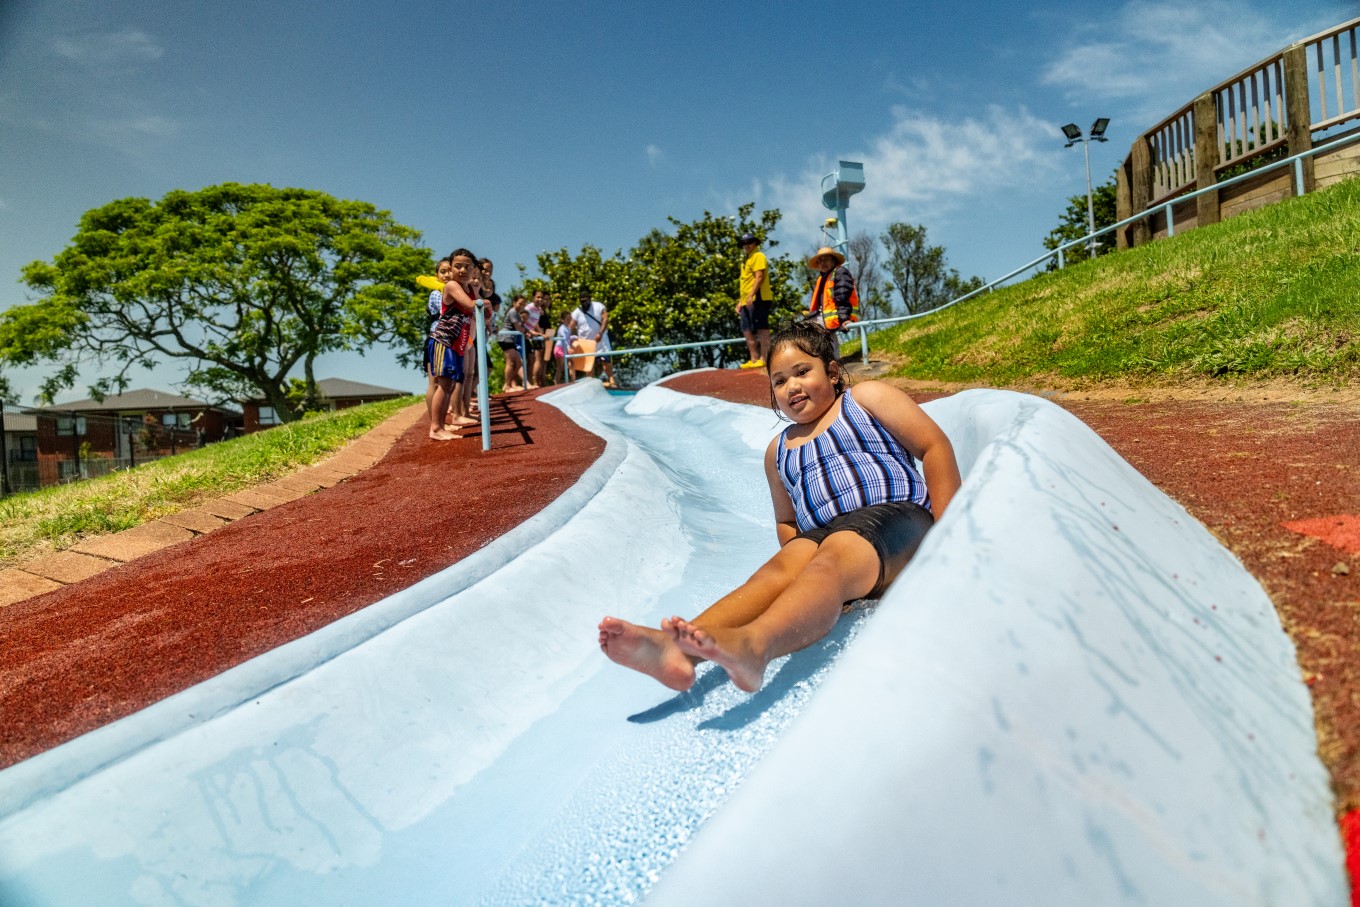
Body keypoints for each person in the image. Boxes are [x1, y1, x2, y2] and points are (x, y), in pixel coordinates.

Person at [598, 320, 961, 693]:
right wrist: (797, 569)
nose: (792, 386)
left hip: (896, 518)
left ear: (833, 373)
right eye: (780, 381)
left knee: (830, 557)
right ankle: (674, 651)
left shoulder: (865, 398)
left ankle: (755, 645)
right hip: (829, 538)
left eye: (802, 372)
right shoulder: (779, 450)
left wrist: (948, 530)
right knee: (775, 572)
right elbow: (787, 520)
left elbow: (934, 447)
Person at [427, 249, 479, 441]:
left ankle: (440, 426)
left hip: (457, 343)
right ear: (451, 268)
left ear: (474, 270)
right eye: (458, 266)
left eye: (468, 267)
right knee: (444, 383)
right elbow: (472, 306)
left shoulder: (471, 289)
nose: (463, 270)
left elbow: (474, 311)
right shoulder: (451, 286)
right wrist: (485, 303)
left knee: (449, 386)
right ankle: (435, 427)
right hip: (443, 341)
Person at [424, 257, 453, 427]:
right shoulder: (437, 293)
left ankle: (441, 423)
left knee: (446, 383)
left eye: (450, 271)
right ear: (437, 275)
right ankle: (435, 424)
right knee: (435, 383)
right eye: (443, 272)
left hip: (446, 340)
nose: (447, 274)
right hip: (436, 339)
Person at [737, 232, 773, 369]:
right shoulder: (746, 260)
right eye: (744, 243)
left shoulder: (758, 256)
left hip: (759, 298)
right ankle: (753, 359)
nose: (746, 245)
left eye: (749, 242)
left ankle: (765, 358)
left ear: (755, 243)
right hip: (746, 300)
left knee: (761, 328)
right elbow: (745, 282)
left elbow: (759, 277)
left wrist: (751, 295)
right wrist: (741, 300)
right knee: (746, 329)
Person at [805, 246, 860, 331]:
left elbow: (842, 296)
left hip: (835, 320)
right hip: (824, 321)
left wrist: (844, 319)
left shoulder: (840, 272)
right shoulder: (821, 279)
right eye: (820, 261)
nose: (823, 263)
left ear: (834, 261)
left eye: (826, 259)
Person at [571, 288, 616, 387]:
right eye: (582, 301)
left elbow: (605, 319)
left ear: (590, 299)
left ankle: (612, 382)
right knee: (589, 367)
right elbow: (570, 327)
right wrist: (573, 339)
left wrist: (600, 333)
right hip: (587, 345)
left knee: (606, 363)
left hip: (601, 342)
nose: (584, 303)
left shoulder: (599, 306)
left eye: (586, 300)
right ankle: (590, 385)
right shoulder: (576, 312)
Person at [498, 295, 528, 393]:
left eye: (524, 305)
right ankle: (508, 386)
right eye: (520, 304)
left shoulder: (516, 313)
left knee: (518, 363)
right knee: (510, 362)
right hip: (506, 338)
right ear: (514, 302)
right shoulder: (513, 312)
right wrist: (526, 332)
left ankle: (509, 384)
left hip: (511, 339)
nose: (522, 306)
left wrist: (525, 331)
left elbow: (520, 328)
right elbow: (518, 328)